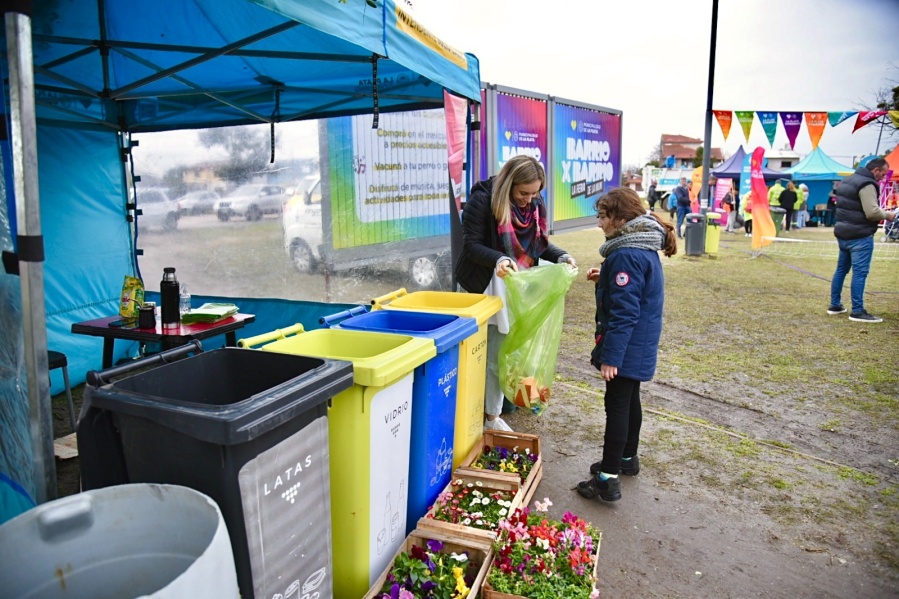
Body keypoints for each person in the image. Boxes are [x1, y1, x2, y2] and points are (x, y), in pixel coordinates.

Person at [454, 155, 577, 431]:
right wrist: (498, 258)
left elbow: (539, 244)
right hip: (480, 286)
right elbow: (471, 246)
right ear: (509, 184)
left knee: (500, 353)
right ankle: (470, 412)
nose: (529, 199)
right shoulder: (483, 200)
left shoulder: (534, 204)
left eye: (535, 193)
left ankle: (491, 416)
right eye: (524, 193)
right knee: (474, 354)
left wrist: (562, 256)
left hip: (512, 285)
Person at [576, 187, 677, 502]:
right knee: (630, 400)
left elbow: (624, 312)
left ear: (620, 219)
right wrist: (605, 276)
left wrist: (611, 357)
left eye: (603, 216)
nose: (599, 223)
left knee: (617, 406)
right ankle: (627, 458)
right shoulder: (639, 246)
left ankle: (607, 478)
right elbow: (633, 290)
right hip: (640, 342)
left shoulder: (625, 254)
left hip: (627, 345)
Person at [827, 157, 896, 323]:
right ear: (875, 170)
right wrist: (888, 214)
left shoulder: (847, 180)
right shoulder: (867, 184)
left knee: (841, 270)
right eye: (883, 174)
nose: (882, 177)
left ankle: (835, 305)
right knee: (860, 273)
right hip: (860, 235)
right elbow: (872, 212)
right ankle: (857, 311)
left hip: (844, 233)